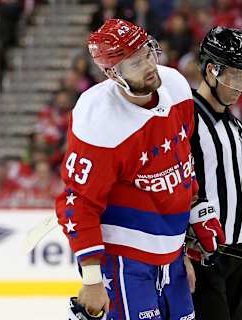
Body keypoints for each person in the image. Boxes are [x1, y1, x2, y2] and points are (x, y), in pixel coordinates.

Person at [55, 19, 225, 320]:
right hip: (124, 260)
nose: (150, 66)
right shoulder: (98, 119)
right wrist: (92, 280)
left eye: (148, 53)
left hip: (170, 257)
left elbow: (181, 161)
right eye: (135, 63)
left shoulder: (175, 86)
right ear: (112, 72)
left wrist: (194, 215)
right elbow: (79, 202)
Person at [187, 26, 242, 320]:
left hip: (238, 259)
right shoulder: (186, 120)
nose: (241, 86)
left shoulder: (237, 129)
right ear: (210, 70)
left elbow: (239, 196)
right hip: (202, 258)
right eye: (235, 76)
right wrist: (180, 254)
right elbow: (173, 190)